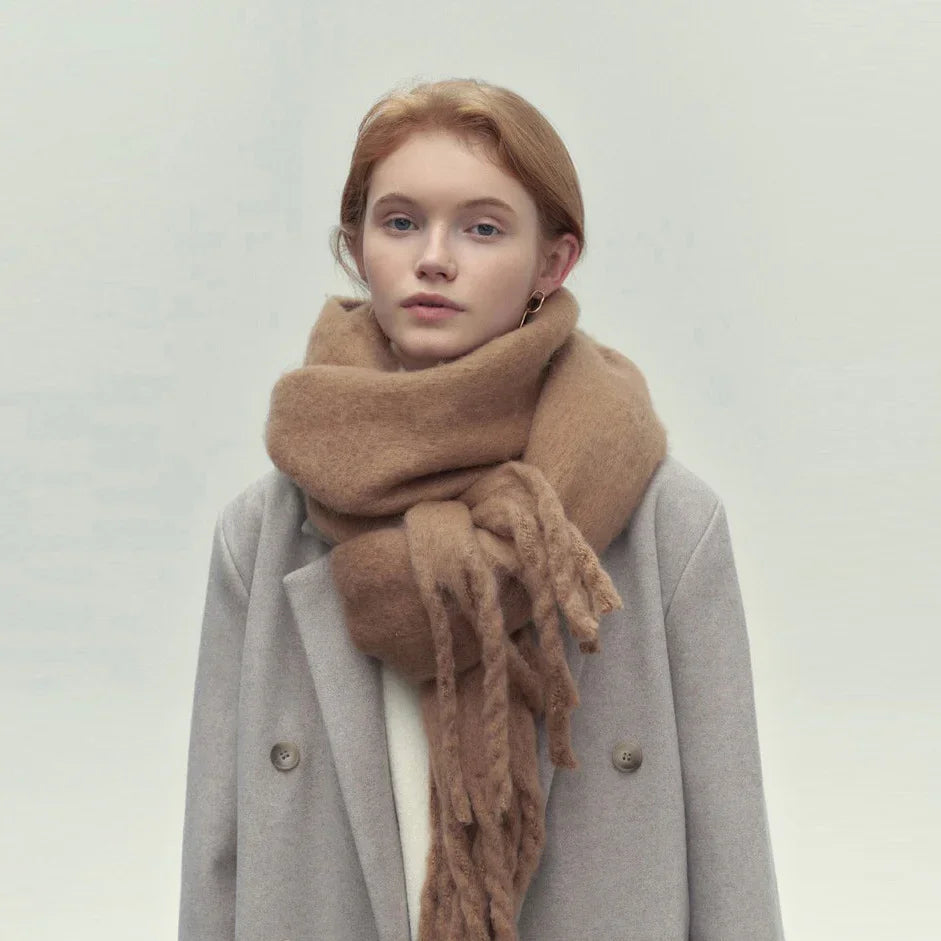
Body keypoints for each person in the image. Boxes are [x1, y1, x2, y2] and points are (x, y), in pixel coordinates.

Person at [178, 78, 785, 941]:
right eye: (399, 222)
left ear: (552, 263)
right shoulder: (264, 535)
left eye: (482, 228)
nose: (434, 257)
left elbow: (732, 859)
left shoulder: (666, 529)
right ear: (355, 246)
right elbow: (217, 855)